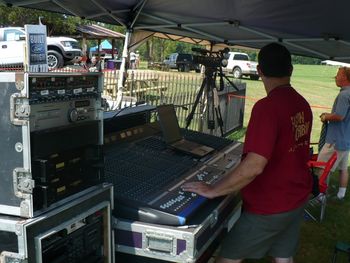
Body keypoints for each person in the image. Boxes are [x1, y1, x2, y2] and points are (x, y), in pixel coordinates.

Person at [182, 43, 313, 263]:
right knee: (283, 257)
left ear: (260, 71)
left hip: (270, 204)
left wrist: (215, 189)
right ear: (290, 70)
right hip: (297, 197)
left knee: (227, 259)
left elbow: (254, 165)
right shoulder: (302, 103)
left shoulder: (267, 107)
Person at [318, 67, 350, 200]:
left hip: (335, 140)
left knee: (322, 167)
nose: (335, 77)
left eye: (338, 75)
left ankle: (320, 195)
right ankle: (341, 194)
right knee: (343, 168)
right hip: (346, 138)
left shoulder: (344, 95)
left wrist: (326, 116)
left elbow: (339, 116)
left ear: (345, 77)